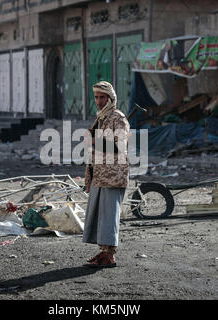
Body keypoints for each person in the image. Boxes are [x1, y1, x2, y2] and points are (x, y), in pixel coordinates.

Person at [83, 81, 130, 268]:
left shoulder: (117, 118)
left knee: (109, 215)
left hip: (113, 176)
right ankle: (103, 252)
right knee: (101, 215)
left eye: (102, 97)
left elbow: (119, 146)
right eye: (96, 97)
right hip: (101, 174)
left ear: (111, 98)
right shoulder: (102, 118)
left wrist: (94, 141)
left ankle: (109, 256)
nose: (99, 101)